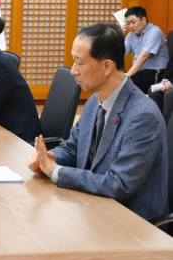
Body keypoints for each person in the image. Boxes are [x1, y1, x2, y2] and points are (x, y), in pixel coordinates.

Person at [28, 23, 168, 222]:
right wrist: (49, 158)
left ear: (106, 67)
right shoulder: (95, 101)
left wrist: (57, 171)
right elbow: (74, 147)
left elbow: (119, 184)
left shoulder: (143, 116)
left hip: (130, 223)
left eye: (80, 62)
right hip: (91, 208)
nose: (73, 71)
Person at [122, 6, 168, 94]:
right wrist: (120, 37)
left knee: (123, 84)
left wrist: (128, 75)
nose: (131, 26)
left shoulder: (155, 32)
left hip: (156, 74)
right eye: (128, 23)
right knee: (113, 81)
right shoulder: (131, 35)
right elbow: (120, 55)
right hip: (140, 73)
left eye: (133, 22)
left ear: (144, 19)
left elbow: (144, 56)